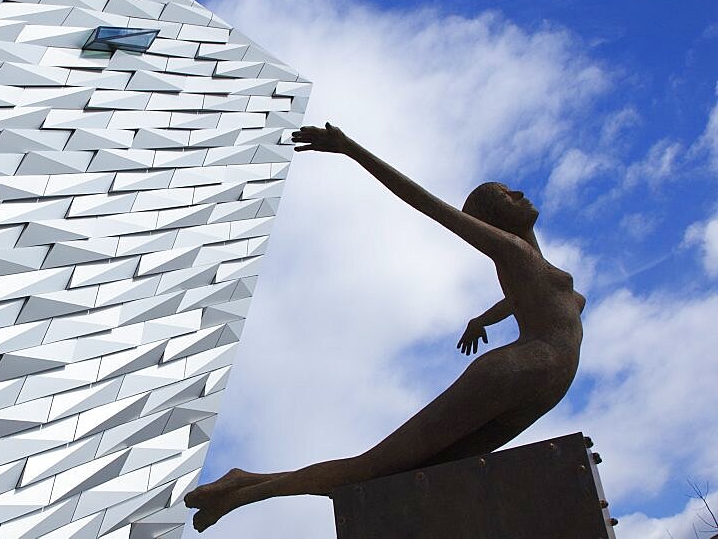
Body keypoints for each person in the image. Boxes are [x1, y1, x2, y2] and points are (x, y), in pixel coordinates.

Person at [184, 123, 585, 532]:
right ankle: (247, 489)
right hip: (516, 375)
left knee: (417, 475)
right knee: (377, 466)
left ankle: (246, 482)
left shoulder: (533, 264)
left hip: (538, 386)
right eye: (507, 195)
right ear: (495, 217)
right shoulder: (512, 251)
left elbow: (545, 301)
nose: (519, 195)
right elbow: (428, 204)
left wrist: (483, 319)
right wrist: (350, 149)